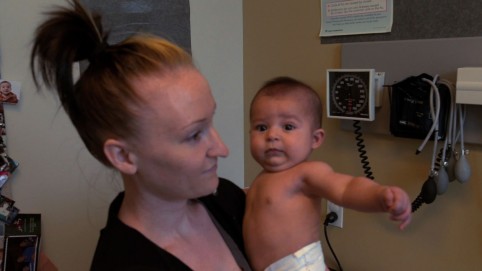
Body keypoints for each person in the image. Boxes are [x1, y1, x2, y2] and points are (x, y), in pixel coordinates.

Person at [30, 0, 251, 270]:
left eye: (211, 121)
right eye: (194, 135)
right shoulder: (125, 262)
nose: (221, 148)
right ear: (123, 155)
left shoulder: (224, 198)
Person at [243, 76, 412, 271]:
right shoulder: (262, 178)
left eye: (288, 127)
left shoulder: (306, 173)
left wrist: (379, 195)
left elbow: (346, 188)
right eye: (261, 127)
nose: (272, 135)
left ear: (315, 139)